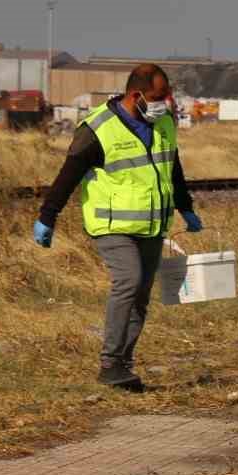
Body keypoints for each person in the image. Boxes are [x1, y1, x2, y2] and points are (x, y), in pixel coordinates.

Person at [32, 64, 202, 392]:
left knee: (140, 296)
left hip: (152, 224)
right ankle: (109, 363)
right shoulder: (98, 128)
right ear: (135, 95)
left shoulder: (164, 122)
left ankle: (123, 366)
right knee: (128, 280)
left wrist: (186, 207)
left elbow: (172, 166)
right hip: (112, 224)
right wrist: (47, 216)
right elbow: (69, 173)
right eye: (157, 97)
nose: (163, 104)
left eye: (166, 97)